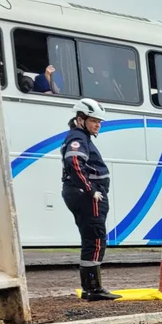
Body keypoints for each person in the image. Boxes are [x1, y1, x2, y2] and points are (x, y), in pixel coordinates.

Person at [60, 99, 119, 301]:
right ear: (80, 119)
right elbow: (75, 162)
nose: (98, 125)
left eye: (99, 122)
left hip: (84, 194)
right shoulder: (78, 137)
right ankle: (93, 289)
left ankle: (92, 287)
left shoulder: (82, 137)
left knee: (93, 239)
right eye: (94, 120)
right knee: (95, 239)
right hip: (86, 196)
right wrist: (91, 189)